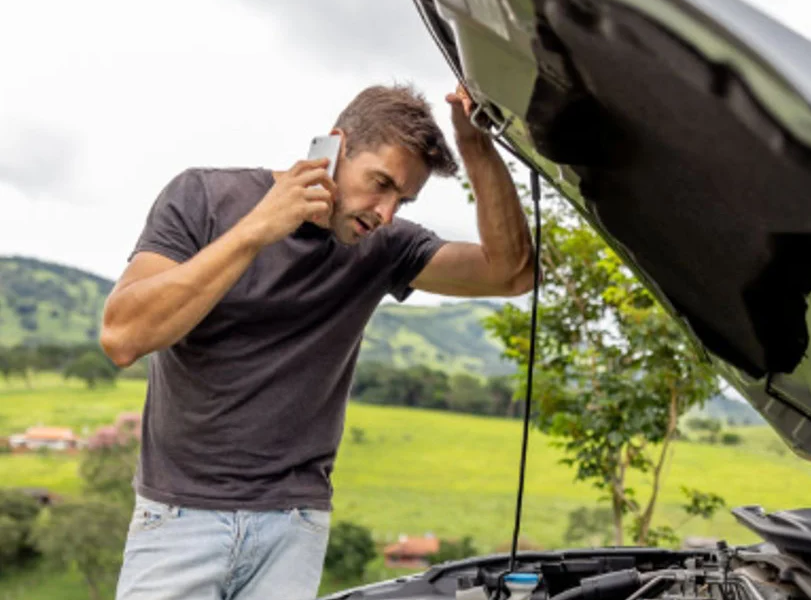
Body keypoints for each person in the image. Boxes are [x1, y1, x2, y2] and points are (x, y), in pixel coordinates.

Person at [100, 82, 534, 600]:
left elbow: (511, 274)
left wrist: (476, 144)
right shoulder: (204, 198)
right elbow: (124, 336)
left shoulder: (384, 247)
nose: (386, 213)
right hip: (177, 519)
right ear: (333, 148)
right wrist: (256, 230)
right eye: (380, 183)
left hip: (294, 526)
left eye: (403, 198)